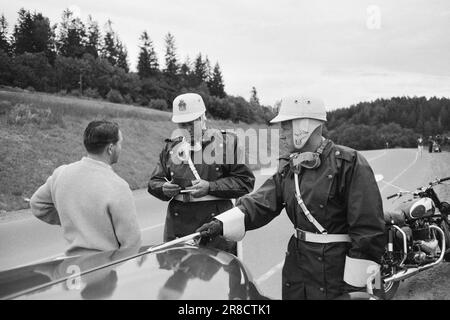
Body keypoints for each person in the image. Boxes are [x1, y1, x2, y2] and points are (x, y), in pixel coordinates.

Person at [197, 96, 386, 300]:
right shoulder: (291, 167)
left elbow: (368, 232)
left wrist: (354, 289)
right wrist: (220, 223)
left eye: (286, 127)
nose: (281, 135)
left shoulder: (348, 163)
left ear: (304, 126)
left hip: (336, 270)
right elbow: (261, 201)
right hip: (298, 267)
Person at [148, 93, 255, 255]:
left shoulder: (228, 143)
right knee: (178, 277)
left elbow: (245, 182)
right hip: (177, 228)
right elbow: (153, 181)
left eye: (191, 123)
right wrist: (163, 188)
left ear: (202, 118)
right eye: (182, 125)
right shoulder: (170, 148)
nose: (187, 129)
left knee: (218, 277)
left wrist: (210, 187)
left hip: (215, 226)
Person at [30, 120, 142, 256]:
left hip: (71, 267)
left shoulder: (61, 173)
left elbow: (37, 204)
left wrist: (74, 221)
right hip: (102, 268)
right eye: (120, 143)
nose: (120, 148)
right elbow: (132, 244)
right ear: (111, 148)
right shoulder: (118, 187)